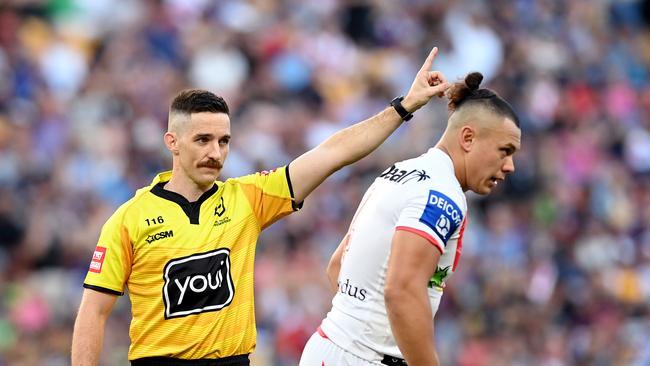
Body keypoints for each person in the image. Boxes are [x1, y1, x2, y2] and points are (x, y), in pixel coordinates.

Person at [70, 47, 450, 365]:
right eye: (202, 139)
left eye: (223, 141)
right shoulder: (129, 219)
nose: (215, 152)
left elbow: (332, 154)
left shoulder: (246, 199)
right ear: (173, 141)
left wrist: (405, 106)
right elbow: (94, 311)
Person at [299, 72, 521, 366]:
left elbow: (337, 266)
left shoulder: (397, 172)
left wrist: (359, 330)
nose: (510, 166)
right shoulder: (442, 194)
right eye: (504, 151)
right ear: (468, 137)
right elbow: (402, 290)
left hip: (330, 347)